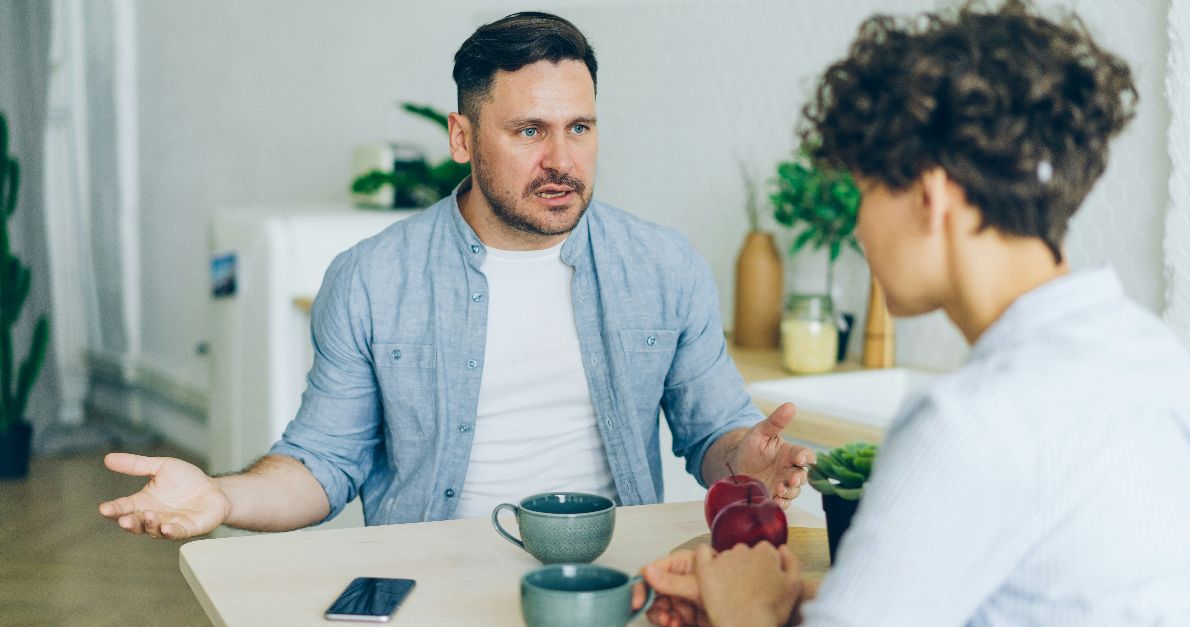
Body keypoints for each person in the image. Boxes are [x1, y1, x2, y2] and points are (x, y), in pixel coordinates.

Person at [98, 12, 815, 540]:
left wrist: (744, 455)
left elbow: (712, 434)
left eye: (581, 128)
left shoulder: (664, 266)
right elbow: (322, 463)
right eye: (530, 131)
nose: (562, 160)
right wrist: (222, 495)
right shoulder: (373, 279)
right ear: (462, 137)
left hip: (612, 580)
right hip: (427, 580)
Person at [640, 1, 1190, 625]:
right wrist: (788, 605)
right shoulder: (1155, 356)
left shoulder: (969, 423)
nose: (857, 226)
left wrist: (743, 609)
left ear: (929, 198)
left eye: (866, 190)